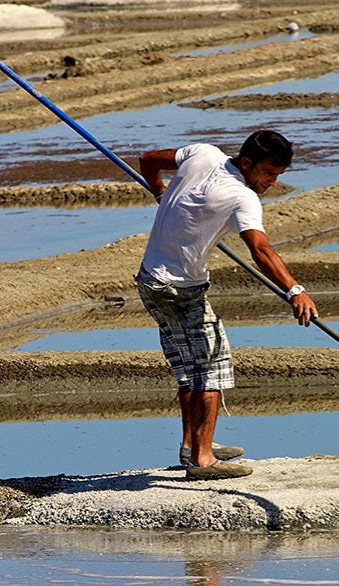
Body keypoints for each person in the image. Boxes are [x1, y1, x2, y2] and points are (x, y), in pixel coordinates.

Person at [136, 131, 318, 480]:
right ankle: (202, 460)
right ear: (247, 163)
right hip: (180, 290)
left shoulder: (201, 154)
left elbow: (147, 160)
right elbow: (261, 250)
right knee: (212, 366)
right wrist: (295, 290)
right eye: (268, 173)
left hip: (150, 281)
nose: (273, 182)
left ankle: (192, 445)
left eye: (279, 175)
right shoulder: (241, 197)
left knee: (190, 367)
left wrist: (160, 190)